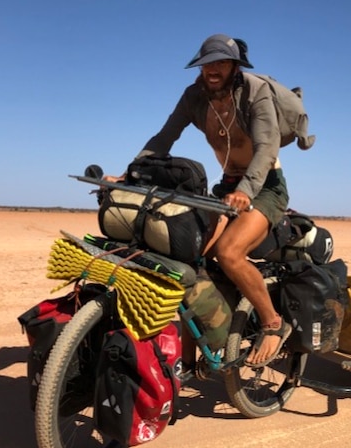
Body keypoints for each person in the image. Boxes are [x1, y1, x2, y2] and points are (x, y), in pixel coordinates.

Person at [115, 33, 296, 368]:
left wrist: (247, 190)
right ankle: (191, 353)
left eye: (222, 62)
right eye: (208, 63)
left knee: (229, 251)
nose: (214, 69)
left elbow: (266, 147)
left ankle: (273, 323)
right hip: (228, 186)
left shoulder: (255, 92)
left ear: (234, 66)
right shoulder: (194, 97)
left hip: (265, 185)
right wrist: (131, 174)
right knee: (188, 251)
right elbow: (165, 136)